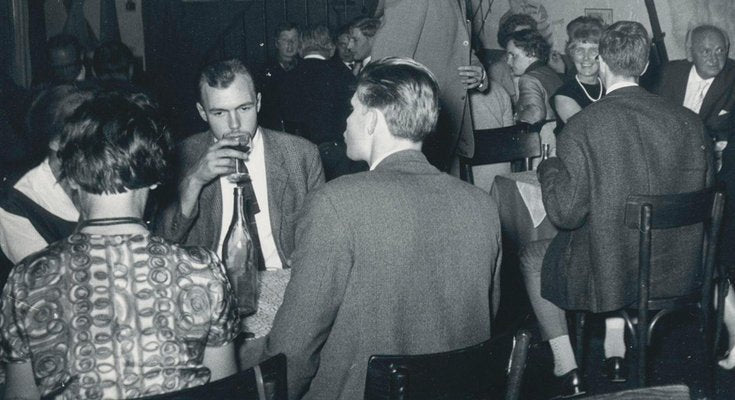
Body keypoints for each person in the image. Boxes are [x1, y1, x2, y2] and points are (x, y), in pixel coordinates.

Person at [241, 57, 502, 399]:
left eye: (352, 110)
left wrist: (238, 358)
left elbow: (293, 353)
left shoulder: (336, 203)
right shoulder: (483, 206)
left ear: (373, 119)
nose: (345, 123)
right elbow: (485, 320)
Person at [0, 93, 240, 399]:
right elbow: (225, 391)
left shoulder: (27, 280)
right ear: (155, 177)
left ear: (70, 176)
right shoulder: (202, 272)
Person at [520, 21, 712, 398]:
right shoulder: (691, 124)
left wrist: (549, 169)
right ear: (643, 67)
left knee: (532, 256)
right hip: (682, 267)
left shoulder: (583, 126)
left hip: (613, 269)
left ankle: (568, 367)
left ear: (603, 62)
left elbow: (565, 214)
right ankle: (614, 346)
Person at [156, 58, 324, 338]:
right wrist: (194, 180)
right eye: (219, 113)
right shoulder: (182, 158)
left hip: (284, 284)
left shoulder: (301, 155)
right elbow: (163, 244)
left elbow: (323, 242)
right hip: (208, 290)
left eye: (244, 108)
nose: (234, 125)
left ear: (258, 102)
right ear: (201, 112)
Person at [652, 24, 735, 370]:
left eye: (721, 50)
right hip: (669, 175)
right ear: (690, 52)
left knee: (716, 253)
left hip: (719, 183)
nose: (716, 58)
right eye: (707, 51)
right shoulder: (670, 72)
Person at [370, 0, 489, 174]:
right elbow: (385, 68)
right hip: (416, 131)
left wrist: (480, 74)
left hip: (443, 131)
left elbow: (461, 46)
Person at [0, 84, 96, 269]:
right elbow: (45, 281)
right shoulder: (16, 203)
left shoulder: (108, 173)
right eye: (86, 133)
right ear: (55, 141)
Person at [279, 25, 365, 181]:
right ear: (331, 49)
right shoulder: (344, 76)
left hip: (298, 154)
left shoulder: (286, 78)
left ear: (300, 49)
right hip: (339, 154)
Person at [552, 18, 605, 132]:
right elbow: (589, 135)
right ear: (572, 54)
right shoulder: (564, 95)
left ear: (603, 55)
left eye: (593, 51)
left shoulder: (609, 87)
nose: (586, 57)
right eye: (579, 50)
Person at [506, 29, 562, 125]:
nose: (508, 62)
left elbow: (535, 114)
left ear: (531, 53)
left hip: (543, 137)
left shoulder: (528, 79)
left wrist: (516, 117)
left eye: (513, 56)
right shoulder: (548, 71)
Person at [258, 23, 300, 130]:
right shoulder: (263, 70)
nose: (290, 44)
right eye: (285, 40)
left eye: (294, 39)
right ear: (277, 43)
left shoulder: (305, 68)